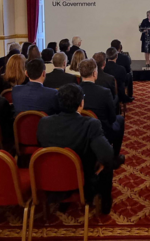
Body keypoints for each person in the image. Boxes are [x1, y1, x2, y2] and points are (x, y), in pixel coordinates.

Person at [37, 84, 115, 214]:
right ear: (81, 103)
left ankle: (62, 201)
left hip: (50, 180)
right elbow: (107, 156)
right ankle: (106, 203)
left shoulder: (43, 122)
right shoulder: (91, 124)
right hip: (83, 183)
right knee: (108, 164)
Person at [79, 59, 125, 168]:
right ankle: (114, 157)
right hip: (103, 131)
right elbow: (112, 118)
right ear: (95, 74)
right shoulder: (104, 92)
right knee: (120, 120)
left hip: (79, 130)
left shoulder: (74, 90)